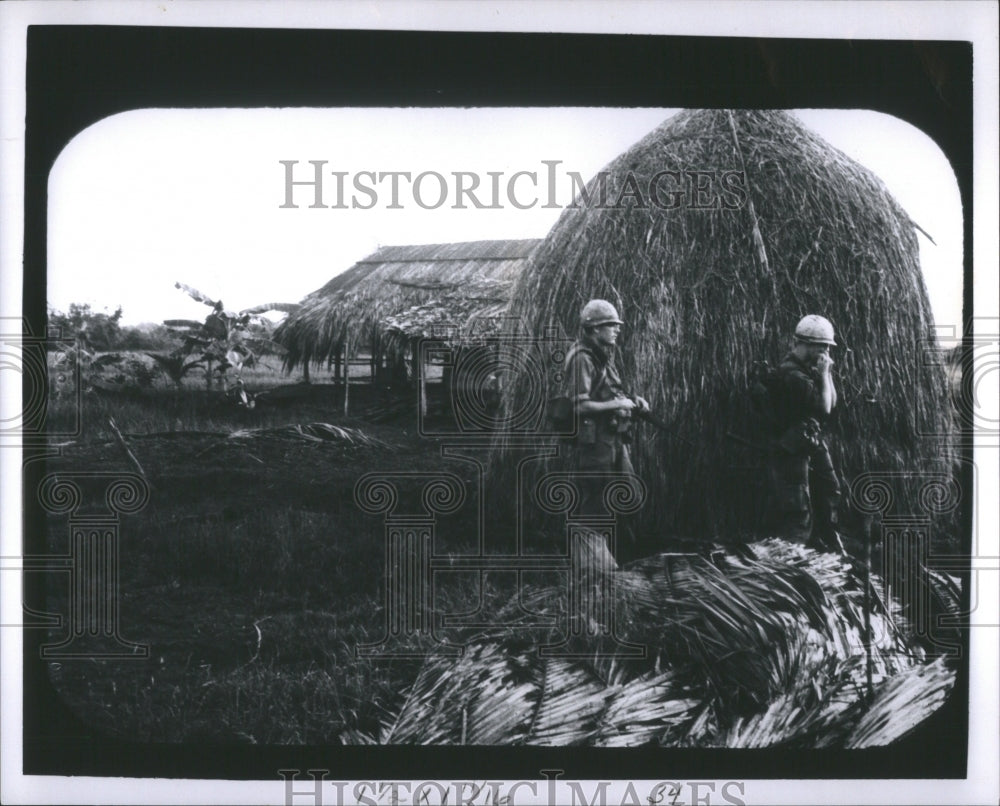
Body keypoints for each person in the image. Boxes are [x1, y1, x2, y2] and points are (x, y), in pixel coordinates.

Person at [562, 299, 650, 521]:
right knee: (597, 505)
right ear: (594, 329)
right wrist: (618, 405)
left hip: (612, 440)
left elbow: (608, 392)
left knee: (627, 496)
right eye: (611, 325)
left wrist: (633, 400)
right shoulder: (582, 358)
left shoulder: (601, 356)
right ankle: (589, 552)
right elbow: (579, 405)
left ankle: (616, 552)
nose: (617, 329)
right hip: (595, 445)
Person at [769, 314, 843, 552]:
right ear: (806, 344)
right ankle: (793, 558)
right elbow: (824, 409)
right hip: (792, 447)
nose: (826, 353)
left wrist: (827, 374)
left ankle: (824, 540)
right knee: (798, 507)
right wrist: (823, 375)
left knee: (829, 488)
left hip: (809, 440)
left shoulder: (806, 370)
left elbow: (832, 403)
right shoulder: (792, 374)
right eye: (822, 346)